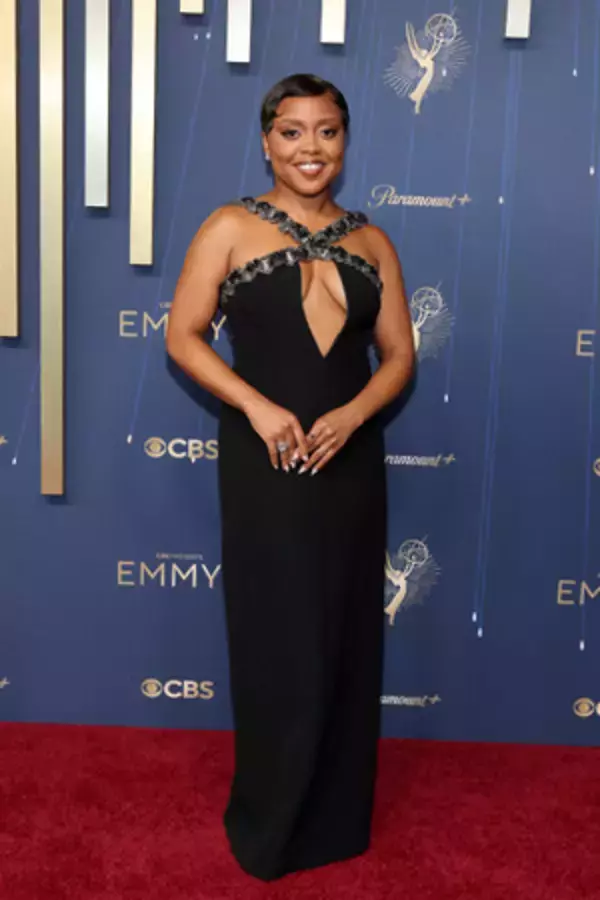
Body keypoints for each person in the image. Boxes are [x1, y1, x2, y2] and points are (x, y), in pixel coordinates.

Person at [166, 73, 415, 882]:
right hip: (265, 459)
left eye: (327, 131)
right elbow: (183, 336)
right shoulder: (228, 226)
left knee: (344, 626)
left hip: (350, 460)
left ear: (345, 141)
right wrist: (256, 406)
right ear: (267, 140)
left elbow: (399, 356)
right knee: (277, 630)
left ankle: (337, 816)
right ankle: (270, 818)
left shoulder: (373, 242)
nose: (311, 148)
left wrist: (354, 415)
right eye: (293, 131)